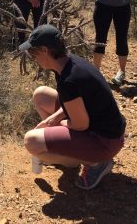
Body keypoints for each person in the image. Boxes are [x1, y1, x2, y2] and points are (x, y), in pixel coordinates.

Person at [20, 24, 126, 190]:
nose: (33, 58)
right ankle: (68, 152)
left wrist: (55, 124)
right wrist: (53, 118)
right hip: (102, 128)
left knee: (31, 141)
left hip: (104, 142)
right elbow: (76, 103)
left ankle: (94, 163)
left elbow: (80, 124)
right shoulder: (68, 63)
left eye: (33, 53)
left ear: (44, 51)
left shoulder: (69, 80)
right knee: (41, 95)